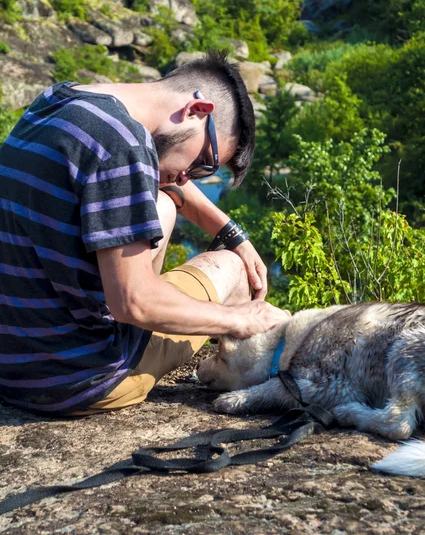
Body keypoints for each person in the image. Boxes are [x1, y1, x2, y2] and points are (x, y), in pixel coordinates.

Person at [0, 50, 290, 416]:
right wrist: (242, 318)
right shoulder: (124, 144)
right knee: (232, 270)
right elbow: (133, 303)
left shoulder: (58, 100)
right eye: (203, 164)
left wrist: (233, 232)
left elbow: (165, 181)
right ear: (197, 112)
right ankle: (242, 379)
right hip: (76, 380)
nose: (189, 176)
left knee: (165, 202)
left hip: (11, 363)